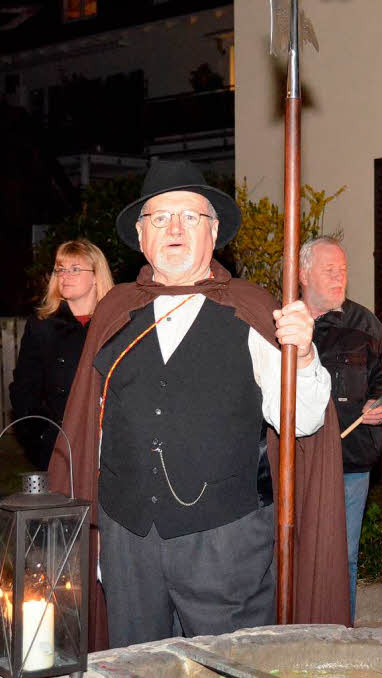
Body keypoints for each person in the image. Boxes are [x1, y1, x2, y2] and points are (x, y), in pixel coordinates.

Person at [47, 160, 349, 651]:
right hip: (129, 543)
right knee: (134, 663)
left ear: (213, 234)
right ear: (141, 237)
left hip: (226, 545)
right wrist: (97, 539)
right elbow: (89, 433)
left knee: (227, 664)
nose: (174, 228)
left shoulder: (251, 308)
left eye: (190, 217)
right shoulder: (115, 311)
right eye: (160, 218)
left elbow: (304, 419)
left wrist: (306, 354)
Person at [300, 236, 382, 622]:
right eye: (329, 270)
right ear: (303, 273)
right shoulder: (280, 322)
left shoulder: (365, 325)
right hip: (291, 464)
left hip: (350, 464)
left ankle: (338, 634)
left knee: (342, 556)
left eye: (343, 270)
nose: (338, 278)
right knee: (290, 553)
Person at [10, 239, 114, 469]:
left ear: (97, 275)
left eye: (75, 269)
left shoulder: (116, 325)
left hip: (111, 446)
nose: (64, 276)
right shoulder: (41, 326)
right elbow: (24, 389)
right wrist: (40, 437)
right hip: (58, 445)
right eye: (60, 269)